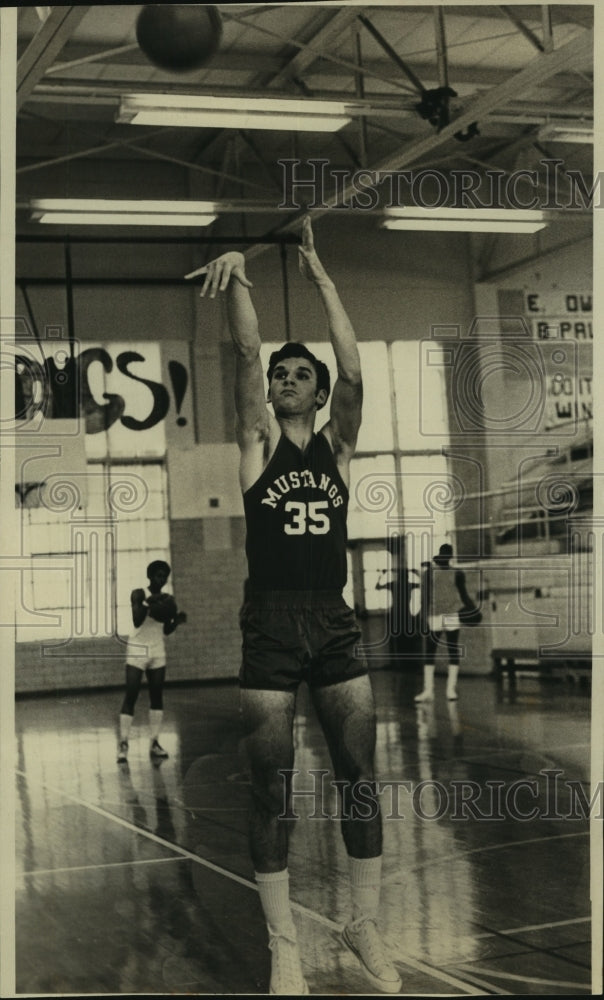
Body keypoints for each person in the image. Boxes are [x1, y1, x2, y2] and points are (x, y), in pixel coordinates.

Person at [186, 217, 402, 995]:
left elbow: (355, 371)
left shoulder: (338, 450)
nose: (285, 377)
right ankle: (284, 945)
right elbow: (246, 350)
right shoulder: (257, 445)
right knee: (271, 786)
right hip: (270, 622)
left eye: (297, 373)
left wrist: (323, 279)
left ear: (315, 390)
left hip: (333, 620)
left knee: (359, 776)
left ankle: (363, 923)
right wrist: (242, 276)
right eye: (281, 372)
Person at [117, 560, 187, 763]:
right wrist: (150, 602)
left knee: (157, 696)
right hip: (137, 649)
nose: (162, 579)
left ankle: (155, 742)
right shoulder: (139, 594)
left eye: (165, 575)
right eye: (158, 575)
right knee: (131, 694)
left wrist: (176, 621)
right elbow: (137, 620)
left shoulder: (169, 599)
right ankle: (123, 743)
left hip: (157, 649)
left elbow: (165, 630)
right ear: (150, 576)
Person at [414, 542, 475, 702]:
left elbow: (464, 595)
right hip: (434, 615)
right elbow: (424, 596)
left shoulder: (457, 573)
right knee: (431, 650)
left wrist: (472, 608)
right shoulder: (429, 573)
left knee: (451, 649)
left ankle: (450, 690)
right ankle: (428, 691)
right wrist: (422, 615)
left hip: (451, 614)